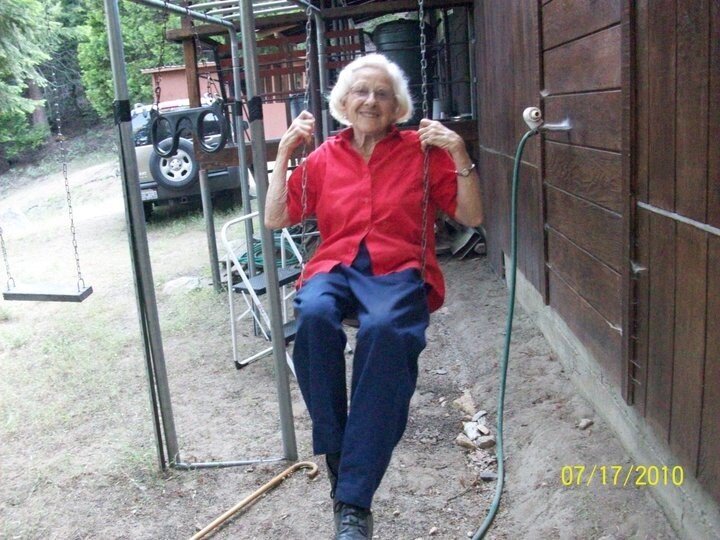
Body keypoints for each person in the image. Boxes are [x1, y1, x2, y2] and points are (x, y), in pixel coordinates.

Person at [265, 53, 482, 539]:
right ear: (343, 101)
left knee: (386, 332)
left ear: (397, 106)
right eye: (361, 91)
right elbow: (277, 218)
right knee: (314, 314)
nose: (371, 101)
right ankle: (344, 455)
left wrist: (460, 155)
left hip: (398, 266)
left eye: (382, 94)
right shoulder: (324, 158)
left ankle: (353, 501)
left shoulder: (421, 153)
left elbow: (471, 216)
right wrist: (283, 157)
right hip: (335, 265)